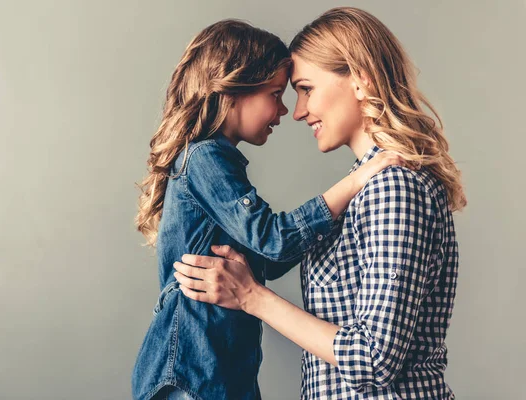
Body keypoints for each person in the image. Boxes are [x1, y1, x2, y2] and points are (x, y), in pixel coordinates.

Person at [174, 7, 467, 399]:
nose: (296, 112)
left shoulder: (393, 187)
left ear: (360, 81)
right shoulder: (364, 187)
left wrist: (252, 297)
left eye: (306, 89)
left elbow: (371, 359)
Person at [132, 19, 404, 400]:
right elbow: (273, 241)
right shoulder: (205, 158)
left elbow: (268, 259)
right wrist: (354, 184)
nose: (285, 111)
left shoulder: (218, 162)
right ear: (234, 89)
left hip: (221, 373)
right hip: (192, 372)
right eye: (277, 94)